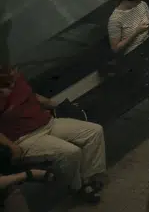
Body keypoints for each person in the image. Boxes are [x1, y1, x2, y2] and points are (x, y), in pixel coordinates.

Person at [0, 66, 106, 203]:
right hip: (26, 138)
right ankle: (77, 187)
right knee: (71, 152)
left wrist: (57, 105)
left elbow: (33, 96)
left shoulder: (17, 78)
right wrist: (11, 146)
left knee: (94, 131)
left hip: (48, 122)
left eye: (14, 71)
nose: (15, 74)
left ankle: (90, 179)